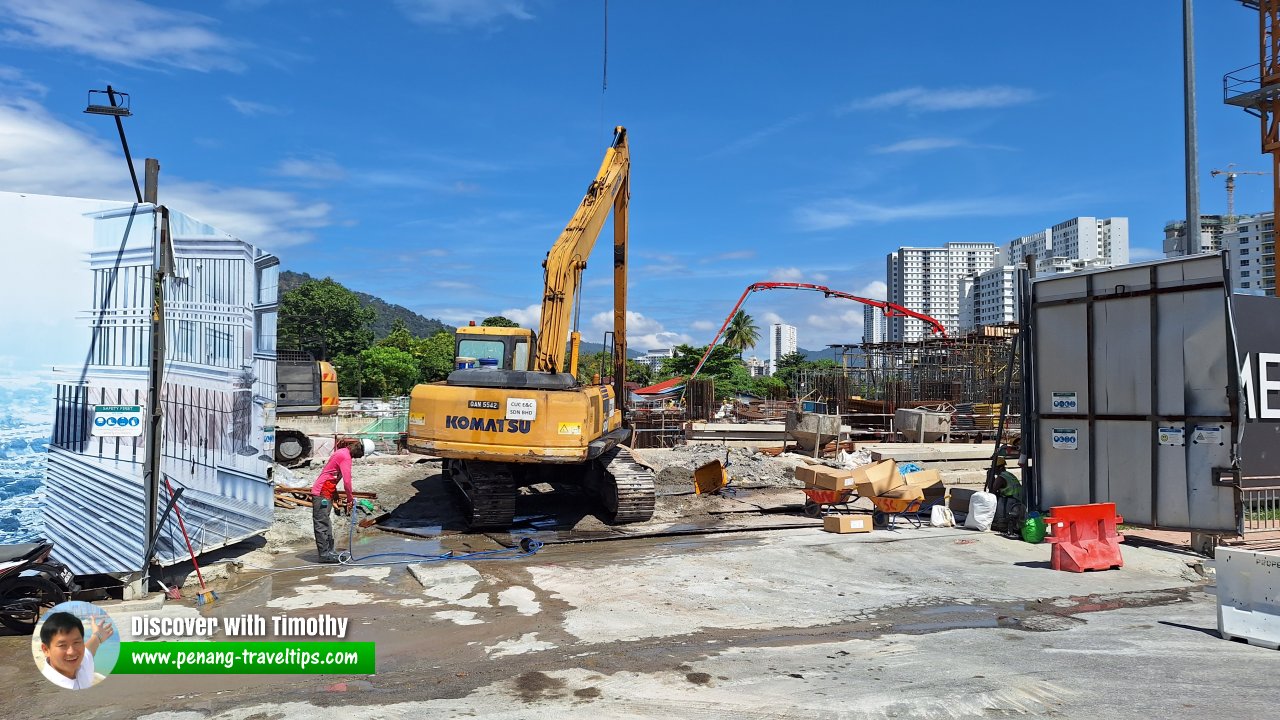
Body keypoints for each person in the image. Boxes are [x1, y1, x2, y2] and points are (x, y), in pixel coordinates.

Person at [311, 438, 369, 563]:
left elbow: (330, 473)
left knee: (326, 522)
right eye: (361, 456)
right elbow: (347, 482)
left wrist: (335, 492)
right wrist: (350, 499)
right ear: (359, 452)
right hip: (322, 492)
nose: (357, 458)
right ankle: (324, 554)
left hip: (328, 490)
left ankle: (329, 551)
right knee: (321, 523)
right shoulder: (346, 457)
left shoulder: (342, 452)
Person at [39, 611, 114, 690]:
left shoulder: (82, 664)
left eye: (76, 642)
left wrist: (98, 635)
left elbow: (89, 649)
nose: (72, 652)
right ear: (46, 650)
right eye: (62, 645)